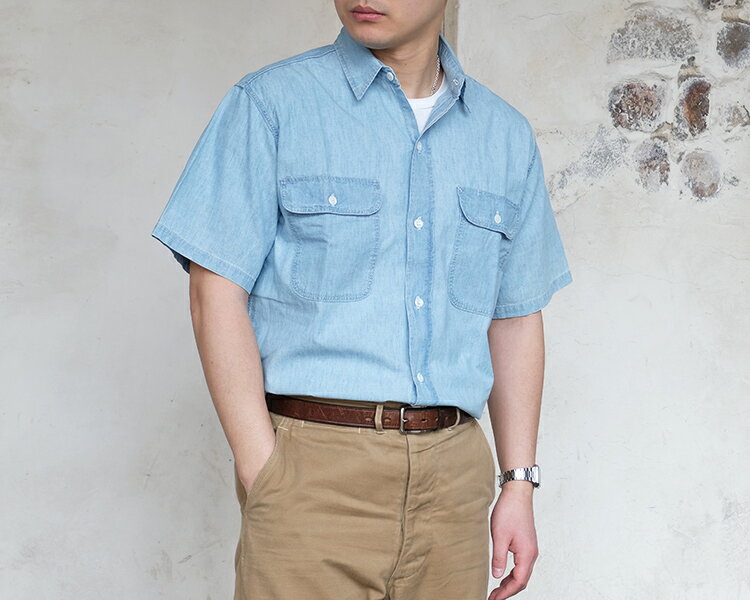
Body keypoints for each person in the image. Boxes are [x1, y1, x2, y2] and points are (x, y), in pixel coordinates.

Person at [151, 1, 572, 598]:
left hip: (454, 483)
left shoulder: (504, 136)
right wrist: (263, 468)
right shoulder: (271, 104)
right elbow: (213, 290)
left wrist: (518, 484)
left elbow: (515, 318)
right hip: (312, 472)